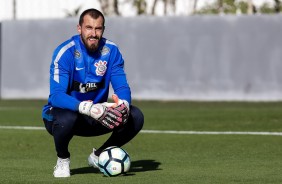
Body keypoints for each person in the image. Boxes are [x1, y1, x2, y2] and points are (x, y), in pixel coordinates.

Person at [42, 8, 144, 178]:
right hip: (64, 116)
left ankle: (99, 156)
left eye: (98, 28)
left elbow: (122, 87)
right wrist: (85, 108)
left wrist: (123, 103)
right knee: (67, 118)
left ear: (103, 29)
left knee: (135, 116)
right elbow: (56, 96)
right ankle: (63, 159)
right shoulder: (65, 52)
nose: (94, 33)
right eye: (89, 28)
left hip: (97, 114)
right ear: (79, 28)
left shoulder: (111, 51)